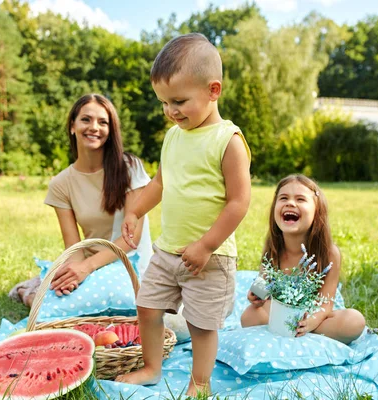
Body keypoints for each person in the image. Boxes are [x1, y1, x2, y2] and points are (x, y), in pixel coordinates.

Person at [116, 33, 252, 398]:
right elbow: (161, 183)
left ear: (213, 90)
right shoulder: (173, 137)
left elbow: (239, 202)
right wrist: (136, 210)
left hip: (209, 258)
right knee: (146, 306)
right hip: (168, 251)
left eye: (179, 101)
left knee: (202, 324)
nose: (171, 111)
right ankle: (151, 368)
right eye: (164, 102)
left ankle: (200, 383)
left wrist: (207, 245)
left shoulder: (228, 140)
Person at [9, 93, 152, 306]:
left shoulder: (130, 168)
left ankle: (41, 285)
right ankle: (29, 293)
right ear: (72, 126)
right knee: (63, 300)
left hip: (131, 263)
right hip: (90, 265)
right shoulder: (61, 183)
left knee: (126, 304)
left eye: (103, 122)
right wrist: (74, 274)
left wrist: (87, 268)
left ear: (110, 131)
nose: (94, 127)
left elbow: (132, 239)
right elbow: (73, 247)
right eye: (86, 119)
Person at [241, 174, 366, 344]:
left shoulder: (329, 253)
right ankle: (297, 336)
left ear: (317, 212)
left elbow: (326, 302)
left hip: (316, 316)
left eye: (300, 199)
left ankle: (295, 335)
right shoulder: (273, 247)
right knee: (248, 317)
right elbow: (263, 279)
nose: (290, 203)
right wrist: (257, 293)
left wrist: (310, 322)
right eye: (283, 198)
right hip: (280, 312)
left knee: (354, 321)